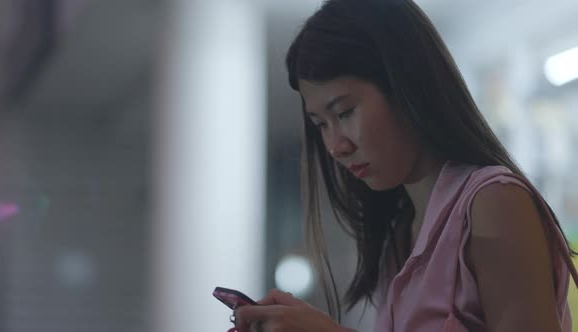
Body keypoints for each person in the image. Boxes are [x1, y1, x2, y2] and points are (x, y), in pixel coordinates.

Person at [235, 0, 578, 331]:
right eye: (321, 124)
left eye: (344, 112)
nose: (336, 146)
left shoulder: (493, 203)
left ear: (405, 83)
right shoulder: (400, 234)